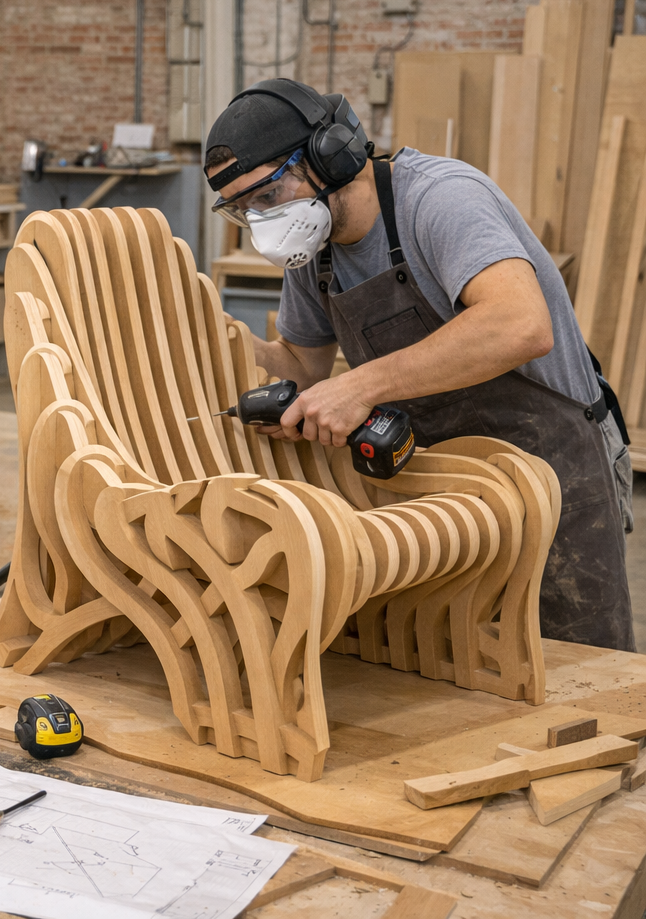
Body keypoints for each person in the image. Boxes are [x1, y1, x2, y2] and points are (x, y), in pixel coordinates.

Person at [204, 77, 634, 651]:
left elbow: (520, 325)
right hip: (442, 483)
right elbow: (301, 365)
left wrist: (360, 386)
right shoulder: (314, 254)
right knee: (457, 661)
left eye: (267, 196)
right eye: (242, 210)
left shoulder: (438, 199)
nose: (262, 220)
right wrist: (213, 330)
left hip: (552, 468)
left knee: (581, 665)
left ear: (330, 156)